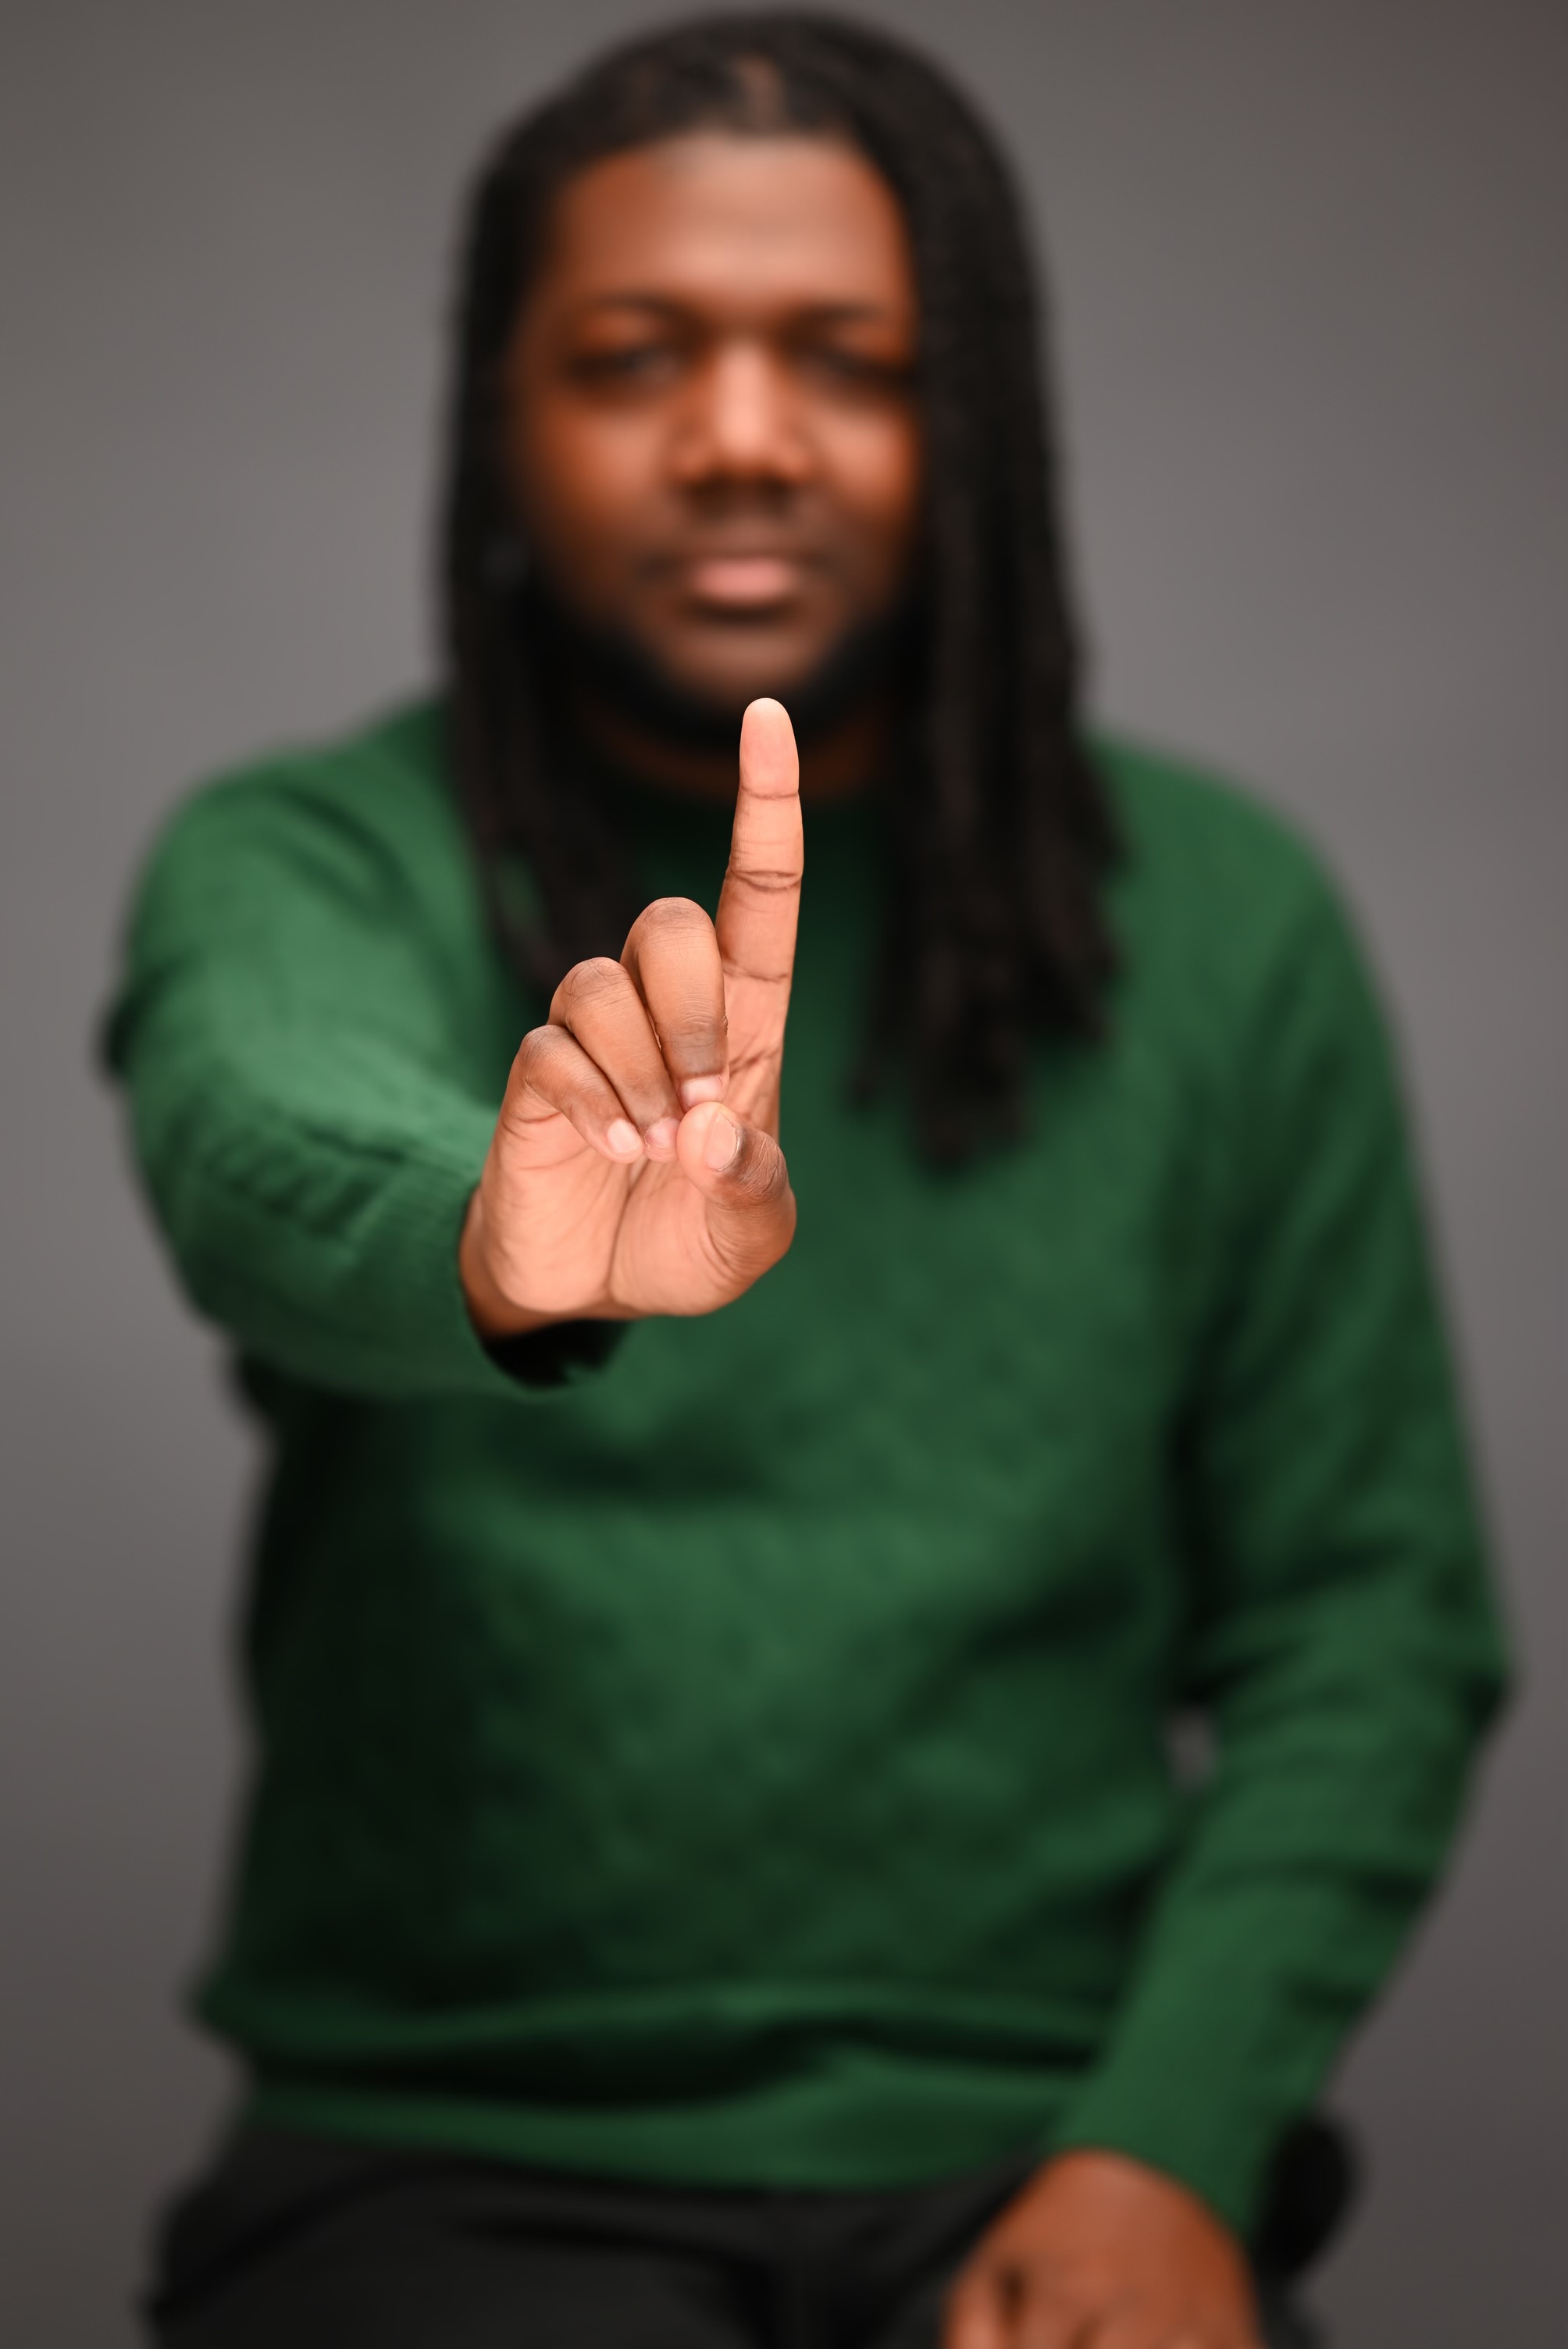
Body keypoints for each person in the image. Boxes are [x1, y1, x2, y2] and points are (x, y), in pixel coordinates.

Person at [107, 16, 1506, 2348]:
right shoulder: (316, 856)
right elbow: (256, 1127)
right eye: (633, 356)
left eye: (849, 359)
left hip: (1046, 2139)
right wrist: (497, 1234)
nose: (744, 437)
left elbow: (1369, 1625)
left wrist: (1173, 2147)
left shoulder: (1229, 920)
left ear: (982, 419)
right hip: (455, 2160)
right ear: (499, 414)